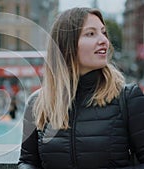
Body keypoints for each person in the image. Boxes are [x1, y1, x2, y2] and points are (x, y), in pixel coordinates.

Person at [18, 7, 144, 169]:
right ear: (66, 45)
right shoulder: (36, 103)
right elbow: (27, 161)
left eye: (103, 32)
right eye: (91, 33)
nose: (104, 40)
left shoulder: (128, 97)